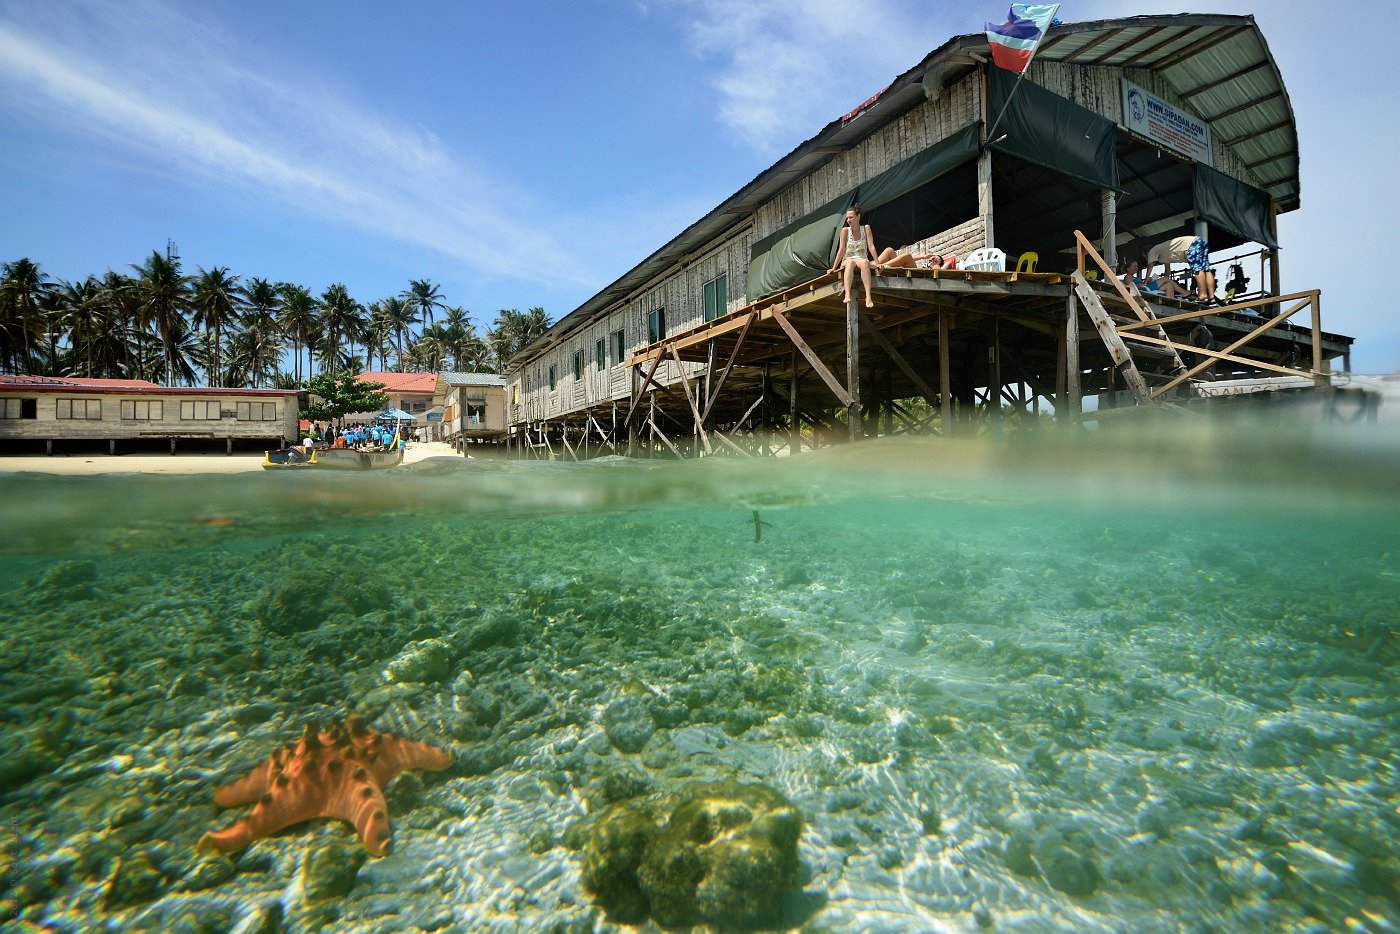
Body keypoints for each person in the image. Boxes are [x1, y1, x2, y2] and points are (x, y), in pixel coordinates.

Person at [1145, 231, 1216, 303]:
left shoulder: (1152, 250)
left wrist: (1145, 281)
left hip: (1190, 246)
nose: (1147, 259)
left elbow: (1150, 267)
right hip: (1199, 241)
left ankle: (1202, 295)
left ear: (1147, 253)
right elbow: (1167, 272)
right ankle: (1211, 297)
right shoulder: (1163, 253)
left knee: (1198, 270)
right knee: (1206, 270)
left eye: (1146, 257)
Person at [829, 204, 877, 308]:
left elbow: (871, 246)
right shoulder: (845, 231)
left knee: (864, 263)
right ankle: (847, 293)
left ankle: (868, 296)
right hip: (848, 258)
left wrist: (878, 263)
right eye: (847, 218)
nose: (848, 220)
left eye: (851, 217)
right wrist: (834, 267)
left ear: (858, 216)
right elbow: (841, 250)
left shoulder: (866, 228)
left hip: (861, 258)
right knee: (850, 263)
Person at [1121, 258, 1188, 299]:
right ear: (1128, 269)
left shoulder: (1133, 277)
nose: (1136, 268)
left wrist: (1147, 280)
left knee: (1169, 285)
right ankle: (1184, 292)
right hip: (1145, 289)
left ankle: (1170, 302)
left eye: (1137, 266)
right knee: (1165, 278)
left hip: (1146, 287)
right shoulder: (1128, 277)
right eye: (1134, 266)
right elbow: (1130, 287)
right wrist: (1141, 284)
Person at [875, 247, 953, 271]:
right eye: (933, 258)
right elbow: (910, 259)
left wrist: (943, 265)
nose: (933, 260)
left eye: (936, 261)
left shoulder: (936, 268)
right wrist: (924, 257)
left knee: (908, 256)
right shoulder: (926, 263)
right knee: (890, 250)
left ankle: (879, 266)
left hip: (917, 276)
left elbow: (945, 265)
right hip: (912, 270)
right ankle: (875, 264)